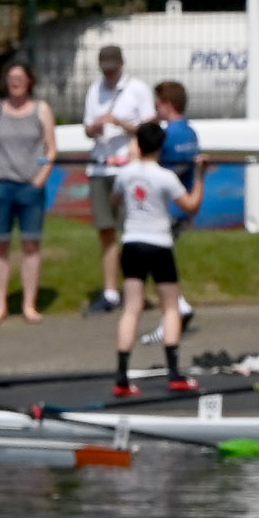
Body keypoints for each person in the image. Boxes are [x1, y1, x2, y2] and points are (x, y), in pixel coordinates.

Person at [107, 120, 205, 397]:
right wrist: (201, 175)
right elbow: (191, 206)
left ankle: (122, 377)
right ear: (161, 147)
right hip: (159, 244)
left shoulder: (125, 175)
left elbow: (114, 202)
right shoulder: (166, 177)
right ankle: (174, 374)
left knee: (131, 309)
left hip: (132, 244)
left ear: (137, 143)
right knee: (171, 308)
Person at [0, 61, 55, 325]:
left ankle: (29, 305)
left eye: (20, 78)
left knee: (31, 245)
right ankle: (0, 305)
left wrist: (40, 180)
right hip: (2, 185)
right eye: (11, 79)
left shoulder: (41, 110)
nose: (15, 83)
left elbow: (51, 149)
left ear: (29, 81)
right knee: (0, 245)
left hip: (30, 187)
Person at [82, 45, 156, 317]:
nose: (110, 73)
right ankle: (111, 291)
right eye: (105, 68)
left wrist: (120, 123)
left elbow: (149, 129)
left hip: (129, 167)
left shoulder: (137, 89)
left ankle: (136, 291)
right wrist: (95, 128)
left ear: (122, 65)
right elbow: (87, 128)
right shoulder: (94, 90)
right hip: (101, 167)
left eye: (113, 67)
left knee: (133, 232)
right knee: (106, 230)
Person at [152, 83, 200, 330]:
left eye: (157, 104)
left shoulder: (166, 136)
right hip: (184, 208)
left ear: (167, 105)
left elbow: (151, 164)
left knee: (157, 264)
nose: (155, 109)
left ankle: (173, 313)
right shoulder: (191, 133)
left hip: (167, 209)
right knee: (161, 262)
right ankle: (178, 306)